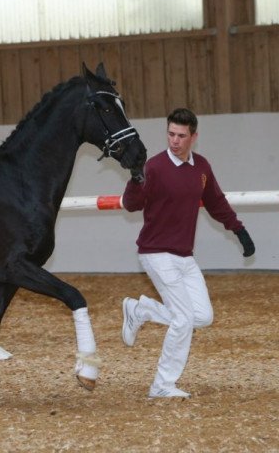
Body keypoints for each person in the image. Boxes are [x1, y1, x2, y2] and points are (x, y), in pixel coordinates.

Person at [121, 107, 255, 399]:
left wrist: (239, 230)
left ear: (194, 136)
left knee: (202, 316)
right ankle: (162, 384)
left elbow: (216, 202)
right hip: (155, 252)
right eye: (171, 134)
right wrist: (134, 178)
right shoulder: (153, 167)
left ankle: (141, 309)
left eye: (181, 136)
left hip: (184, 255)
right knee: (183, 319)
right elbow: (131, 205)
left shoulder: (202, 168)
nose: (175, 141)